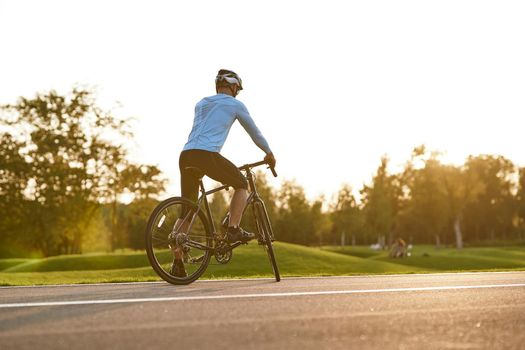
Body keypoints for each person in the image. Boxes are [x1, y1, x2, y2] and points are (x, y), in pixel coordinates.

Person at [171, 69, 276, 277]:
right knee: (241, 184)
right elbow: (254, 132)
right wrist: (268, 152)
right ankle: (233, 228)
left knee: (189, 209)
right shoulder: (235, 104)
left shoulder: (201, 103)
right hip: (206, 155)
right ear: (234, 86)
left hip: (186, 155)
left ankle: (177, 261)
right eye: (237, 89)